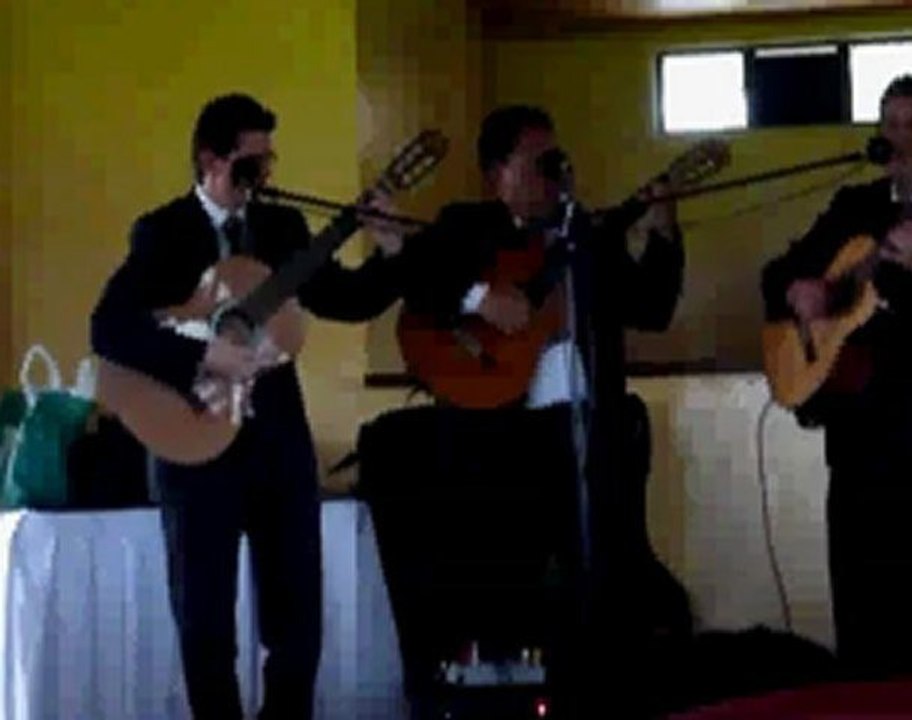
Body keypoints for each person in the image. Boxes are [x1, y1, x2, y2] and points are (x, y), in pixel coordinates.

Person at [90, 93, 402, 720]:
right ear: (210, 160)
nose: (263, 177)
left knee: (299, 621)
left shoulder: (282, 228)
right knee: (204, 622)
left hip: (277, 443)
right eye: (249, 164)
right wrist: (203, 358)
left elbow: (344, 298)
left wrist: (390, 251)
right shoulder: (164, 232)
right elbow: (111, 328)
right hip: (193, 441)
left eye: (269, 162)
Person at [396, 104, 686, 717]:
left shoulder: (589, 236)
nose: (551, 173)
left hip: (588, 430)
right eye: (536, 161)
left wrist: (664, 228)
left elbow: (652, 306)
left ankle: (603, 691)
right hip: (501, 434)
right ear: (497, 172)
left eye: (556, 160)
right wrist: (480, 297)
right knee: (514, 579)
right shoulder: (467, 226)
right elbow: (419, 278)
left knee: (606, 569)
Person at [761, 75, 912, 679]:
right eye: (888, 124)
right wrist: (806, 289)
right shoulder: (854, 208)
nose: (897, 137)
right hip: (857, 456)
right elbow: (778, 275)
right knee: (863, 627)